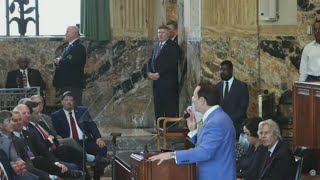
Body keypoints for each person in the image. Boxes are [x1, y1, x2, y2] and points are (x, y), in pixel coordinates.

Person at [149, 82, 236, 180]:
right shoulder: (212, 117)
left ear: (202, 100)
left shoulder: (216, 121)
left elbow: (204, 152)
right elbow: (206, 144)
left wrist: (172, 155)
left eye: (194, 96)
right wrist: (193, 130)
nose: (192, 99)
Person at [9, 109, 83, 179]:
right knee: (39, 160)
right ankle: (67, 174)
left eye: (20, 120)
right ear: (10, 122)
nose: (19, 122)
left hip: (42, 163)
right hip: (29, 165)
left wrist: (57, 163)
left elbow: (44, 151)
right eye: (15, 121)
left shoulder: (30, 134)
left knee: (55, 160)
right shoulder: (10, 138)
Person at [51, 91, 108, 176]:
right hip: (70, 143)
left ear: (74, 102)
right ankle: (88, 169)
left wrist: (98, 138)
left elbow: (91, 125)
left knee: (102, 147)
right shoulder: (56, 115)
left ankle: (97, 173)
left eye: (71, 100)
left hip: (85, 141)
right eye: (66, 100)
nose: (68, 102)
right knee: (76, 154)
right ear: (62, 102)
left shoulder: (82, 111)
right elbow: (56, 132)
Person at [147, 25, 180, 124]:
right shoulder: (157, 46)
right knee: (158, 107)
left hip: (168, 83)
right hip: (157, 84)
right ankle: (159, 128)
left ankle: (169, 130)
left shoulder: (173, 46)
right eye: (158, 32)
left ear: (168, 33)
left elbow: (172, 63)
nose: (160, 35)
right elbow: (150, 61)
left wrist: (159, 73)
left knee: (169, 107)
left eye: (162, 32)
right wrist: (149, 72)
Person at [53, 25, 87, 105]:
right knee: (67, 107)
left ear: (74, 33)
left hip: (73, 84)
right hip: (66, 83)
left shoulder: (78, 47)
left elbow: (72, 62)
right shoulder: (69, 46)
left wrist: (60, 61)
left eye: (67, 31)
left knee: (74, 106)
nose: (65, 33)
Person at [217, 60, 249, 139]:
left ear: (231, 70)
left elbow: (242, 109)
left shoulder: (242, 87)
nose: (222, 72)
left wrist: (227, 120)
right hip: (220, 128)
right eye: (220, 70)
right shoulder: (217, 87)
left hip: (236, 127)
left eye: (224, 69)